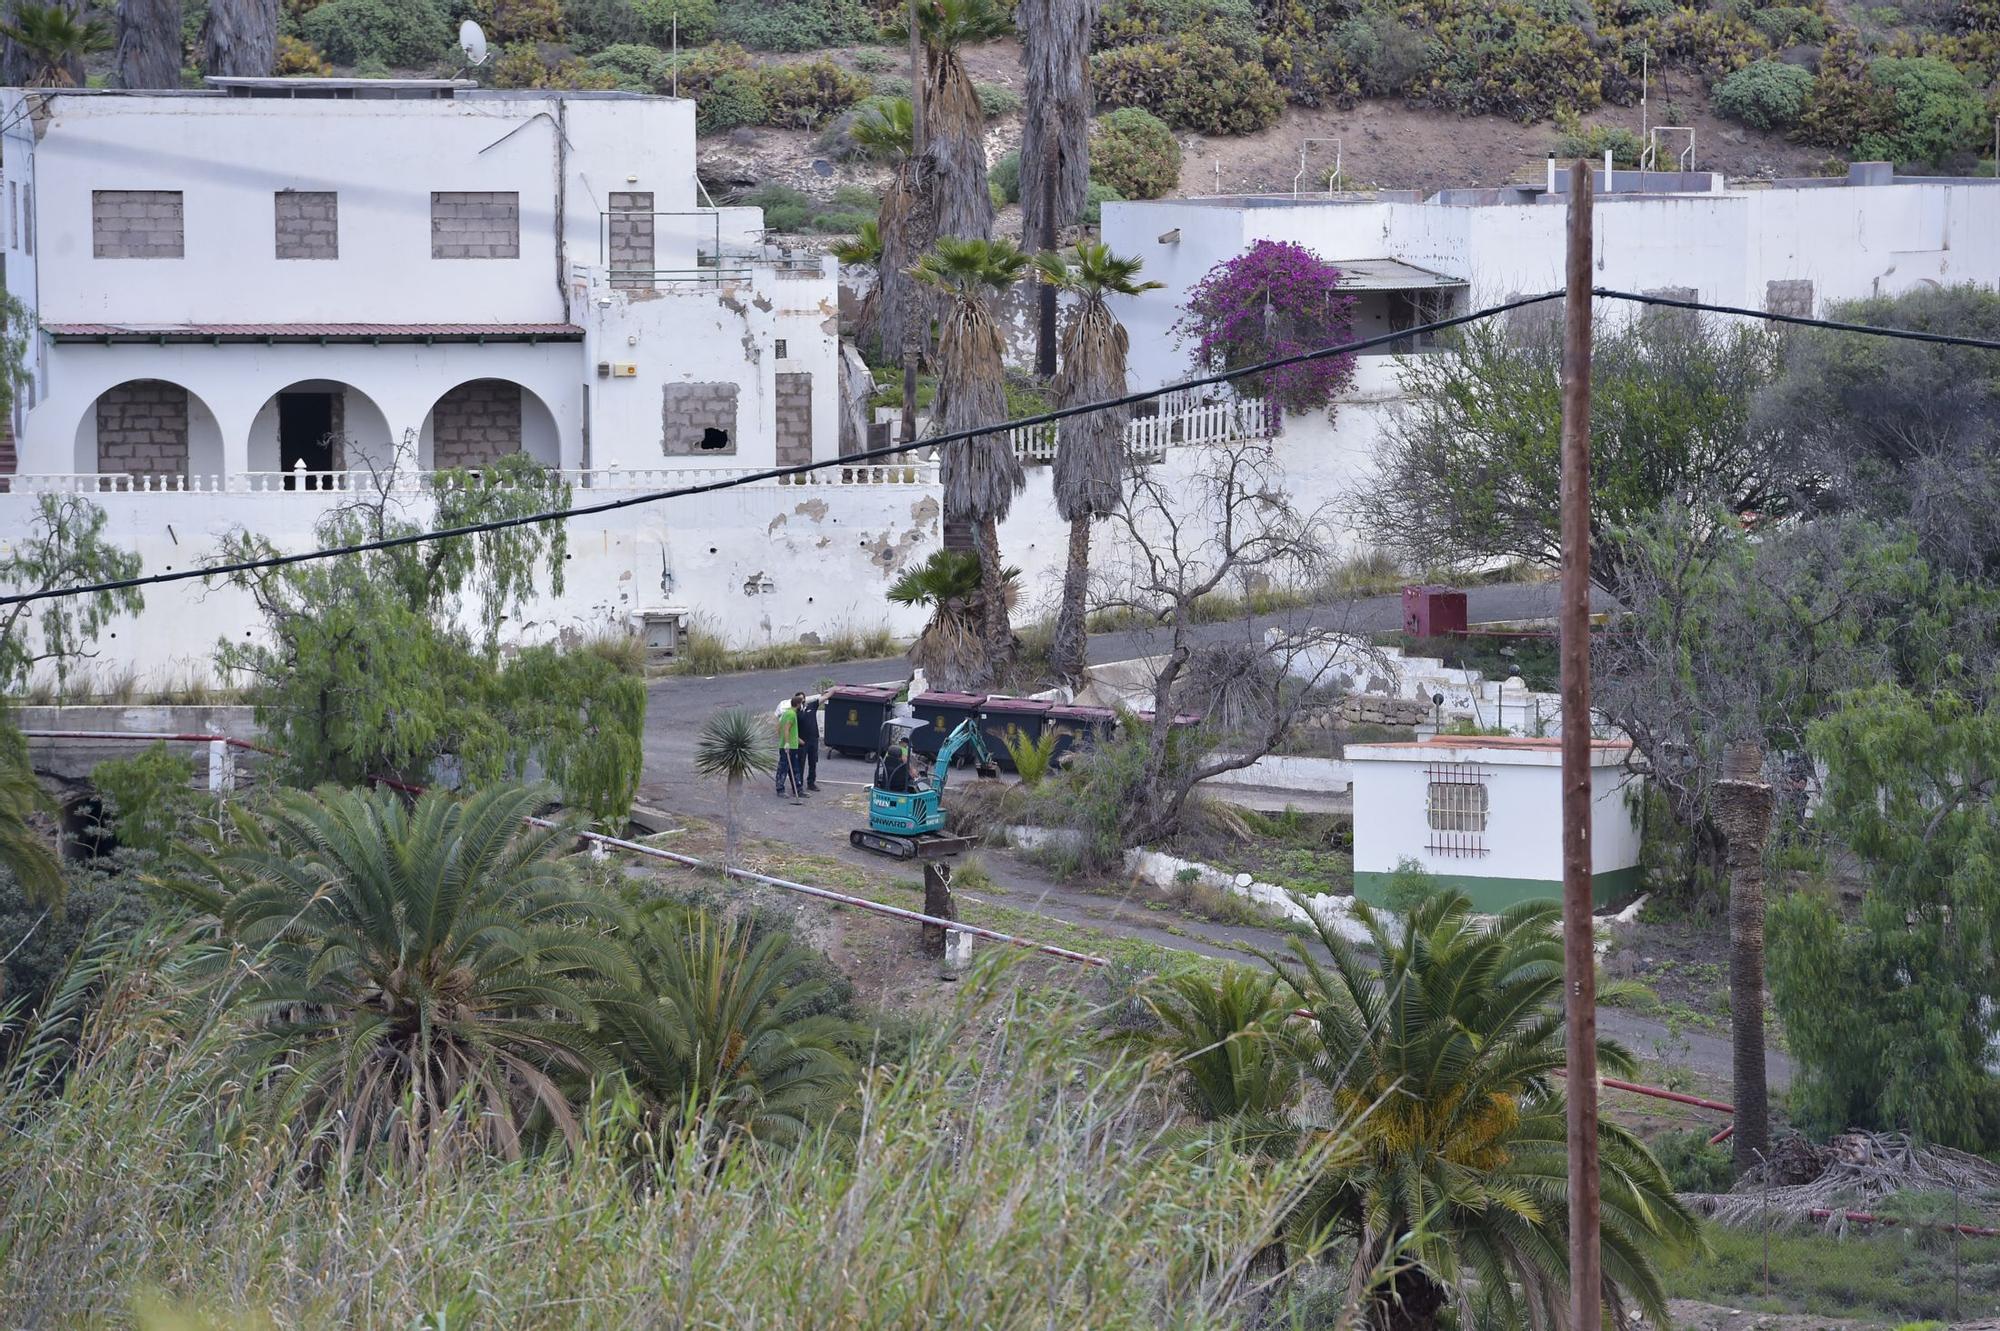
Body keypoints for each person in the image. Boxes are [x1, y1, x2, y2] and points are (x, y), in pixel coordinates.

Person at [775, 696, 804, 800]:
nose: (802, 705)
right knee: (784, 768)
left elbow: (778, 728)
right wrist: (786, 742)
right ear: (798, 704)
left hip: (791, 745)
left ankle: (798, 789)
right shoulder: (791, 714)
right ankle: (780, 790)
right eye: (801, 703)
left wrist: (782, 739)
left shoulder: (786, 713)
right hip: (789, 747)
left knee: (795, 768)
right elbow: (787, 728)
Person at [796, 691, 822, 792]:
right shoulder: (796, 712)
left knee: (813, 762)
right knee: (800, 763)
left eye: (802, 699)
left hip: (813, 739)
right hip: (802, 741)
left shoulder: (811, 706)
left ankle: (811, 783)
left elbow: (824, 698)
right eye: (799, 699)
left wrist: (834, 689)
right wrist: (798, 739)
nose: (801, 701)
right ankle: (799, 785)